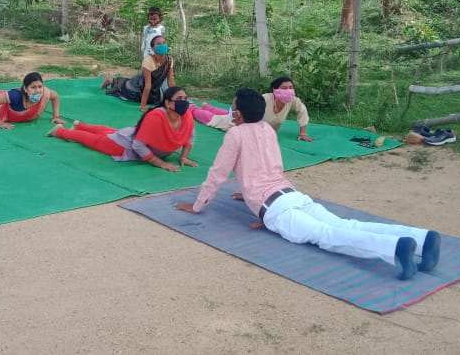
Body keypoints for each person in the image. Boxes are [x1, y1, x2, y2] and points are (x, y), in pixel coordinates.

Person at [174, 88, 440, 280]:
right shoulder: (267, 129)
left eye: (233, 108)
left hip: (277, 208)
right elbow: (269, 167)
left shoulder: (234, 134)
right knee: (345, 225)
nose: (231, 112)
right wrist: (250, 195)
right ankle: (422, 238)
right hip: (291, 195)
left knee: (327, 236)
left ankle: (395, 248)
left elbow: (218, 174)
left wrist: (198, 206)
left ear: (239, 115)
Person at [47, 86, 197, 172]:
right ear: (168, 104)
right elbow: (138, 145)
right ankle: (60, 131)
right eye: (179, 99)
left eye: (185, 98)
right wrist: (160, 163)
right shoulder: (157, 117)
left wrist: (183, 157)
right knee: (93, 140)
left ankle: (80, 125)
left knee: (108, 131)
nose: (184, 102)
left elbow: (189, 136)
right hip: (124, 146)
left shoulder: (186, 116)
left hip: (131, 134)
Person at [101, 35, 175, 112]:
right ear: (153, 48)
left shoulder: (169, 60)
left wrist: (175, 96)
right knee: (124, 88)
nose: (162, 45)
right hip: (138, 87)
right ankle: (111, 80)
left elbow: (171, 81)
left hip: (154, 90)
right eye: (159, 44)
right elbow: (147, 85)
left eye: (164, 43)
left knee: (155, 100)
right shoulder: (148, 61)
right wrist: (143, 106)